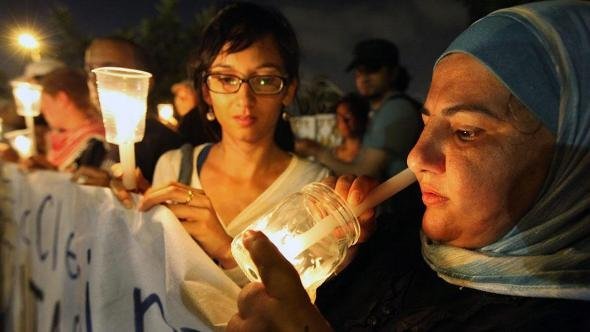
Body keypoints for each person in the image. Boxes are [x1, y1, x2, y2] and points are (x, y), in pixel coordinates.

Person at [227, 1, 590, 330]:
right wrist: (347, 264)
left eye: (465, 132)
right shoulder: (401, 235)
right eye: (426, 122)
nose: (417, 157)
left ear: (573, 162)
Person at [122, 2, 332, 286]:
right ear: (206, 91)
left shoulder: (315, 188)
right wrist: (132, 214)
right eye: (225, 78)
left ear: (288, 90)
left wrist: (227, 250)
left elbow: (301, 307)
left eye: (265, 79)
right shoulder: (173, 166)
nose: (244, 99)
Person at [295, 38, 422, 181]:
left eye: (372, 69)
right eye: (359, 72)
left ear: (393, 73)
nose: (363, 78)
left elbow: (365, 174)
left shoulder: (396, 109)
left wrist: (317, 151)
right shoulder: (381, 111)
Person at [75, 36, 184, 184]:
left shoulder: (168, 148)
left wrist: (124, 195)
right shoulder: (95, 146)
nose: (95, 80)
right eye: (90, 70)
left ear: (144, 83)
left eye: (110, 70)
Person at [31, 67, 106, 171]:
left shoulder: (96, 143)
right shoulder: (57, 138)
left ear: (62, 99)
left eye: (44, 100)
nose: (41, 109)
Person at [332, 92, 369, 162]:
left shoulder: (372, 154)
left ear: (361, 118)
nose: (343, 122)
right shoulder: (334, 154)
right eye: (339, 117)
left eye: (348, 116)